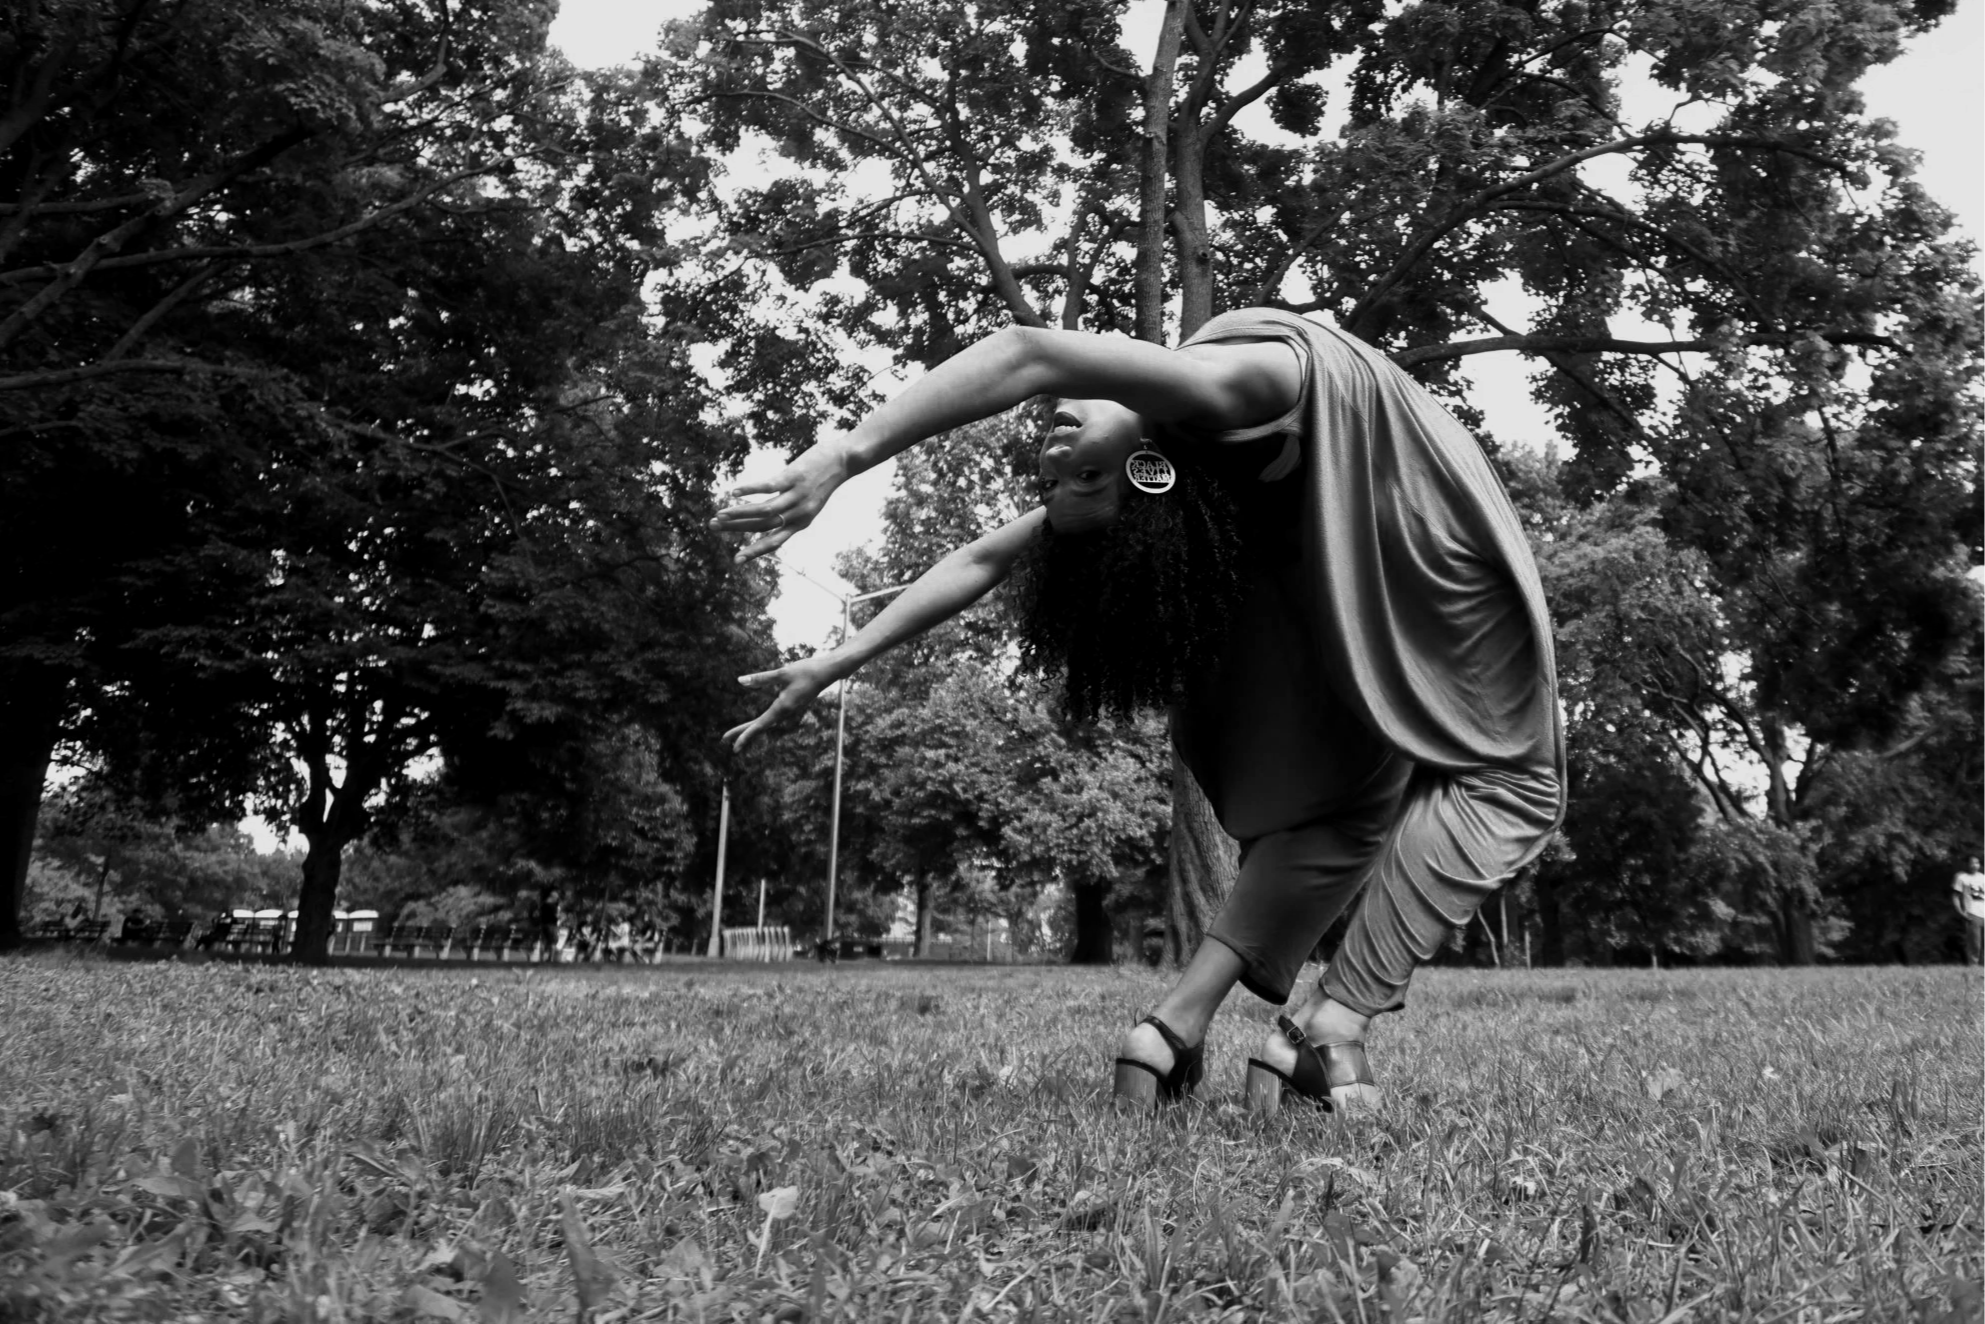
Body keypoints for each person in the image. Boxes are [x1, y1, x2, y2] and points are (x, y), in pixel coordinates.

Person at [713, 309, 1564, 1113]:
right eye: (1068, 478)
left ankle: (1172, 1034)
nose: (1053, 457)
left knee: (1365, 802)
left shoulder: (1212, 395)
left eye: (1069, 472)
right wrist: (840, 655)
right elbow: (1013, 420)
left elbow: (1014, 409)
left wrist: (845, 461)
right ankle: (1319, 1027)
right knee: (1475, 791)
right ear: (1144, 482)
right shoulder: (1214, 404)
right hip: (1412, 559)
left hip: (1383, 556)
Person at [1954, 856, 1985, 965]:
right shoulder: (1962, 878)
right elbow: (1955, 897)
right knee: (1975, 945)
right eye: (1972, 863)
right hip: (1972, 913)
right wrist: (1961, 912)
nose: (1974, 865)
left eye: (1977, 863)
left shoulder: (1983, 877)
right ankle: (1974, 970)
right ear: (1967, 864)